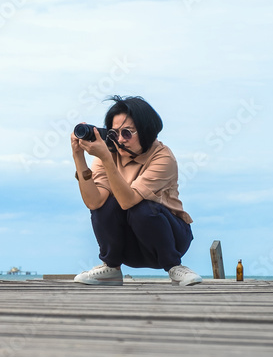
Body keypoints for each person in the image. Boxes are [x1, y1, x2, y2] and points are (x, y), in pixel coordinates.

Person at [70, 95, 202, 286]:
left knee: (141, 207)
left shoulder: (163, 157)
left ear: (146, 132)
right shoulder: (108, 153)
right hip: (129, 245)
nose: (120, 140)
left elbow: (128, 201)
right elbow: (94, 202)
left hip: (170, 239)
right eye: (114, 134)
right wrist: (78, 156)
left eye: (127, 133)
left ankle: (175, 267)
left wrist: (107, 159)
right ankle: (111, 268)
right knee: (106, 204)